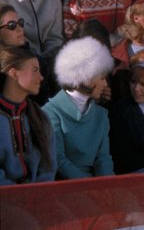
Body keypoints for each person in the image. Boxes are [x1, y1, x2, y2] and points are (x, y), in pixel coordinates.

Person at [43, 36, 115, 179]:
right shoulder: (50, 112)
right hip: (66, 188)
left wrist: (108, 189)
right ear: (85, 77)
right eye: (101, 78)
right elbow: (59, 160)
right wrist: (90, 187)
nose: (105, 84)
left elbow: (103, 159)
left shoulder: (101, 115)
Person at [0, 46, 55, 184]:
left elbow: (49, 167)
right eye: (35, 70)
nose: (41, 77)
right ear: (13, 73)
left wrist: (37, 195)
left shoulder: (41, 117)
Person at [0, 3, 54, 103]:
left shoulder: (38, 62)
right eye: (12, 25)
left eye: (20, 23)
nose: (20, 29)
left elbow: (42, 106)